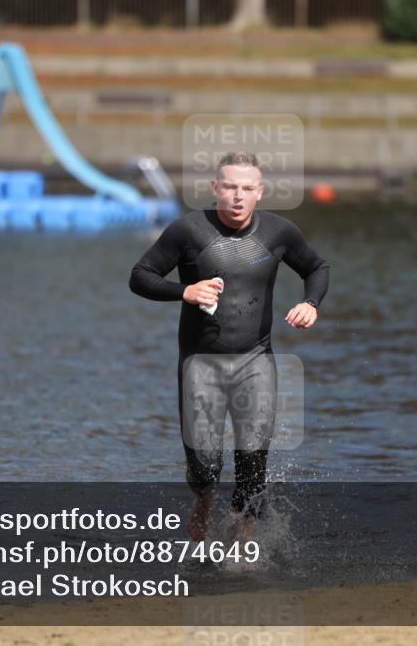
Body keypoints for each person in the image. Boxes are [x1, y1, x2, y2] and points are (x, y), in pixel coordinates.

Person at [129, 151, 330, 541]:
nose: (238, 196)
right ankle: (203, 499)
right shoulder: (187, 231)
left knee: (253, 460)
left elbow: (317, 268)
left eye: (247, 188)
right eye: (230, 187)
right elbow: (140, 276)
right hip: (200, 365)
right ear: (215, 188)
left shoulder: (279, 232)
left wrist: (310, 303)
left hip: (255, 360)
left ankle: (242, 536)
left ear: (260, 192)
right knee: (205, 466)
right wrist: (184, 290)